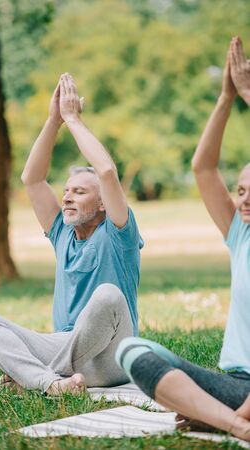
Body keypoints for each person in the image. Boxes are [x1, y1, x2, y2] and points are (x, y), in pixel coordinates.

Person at [0, 73, 143, 395]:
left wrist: (73, 119)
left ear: (103, 202)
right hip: (70, 350)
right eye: (65, 191)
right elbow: (32, 179)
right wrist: (53, 121)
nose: (66, 197)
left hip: (114, 355)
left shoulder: (119, 234)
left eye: (79, 192)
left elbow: (105, 171)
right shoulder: (61, 231)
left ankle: (34, 375)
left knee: (107, 295)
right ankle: (52, 385)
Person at [115, 36, 250, 442]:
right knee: (133, 351)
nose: (243, 200)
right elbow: (204, 168)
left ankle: (220, 417)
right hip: (236, 383)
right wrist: (227, 98)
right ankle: (233, 424)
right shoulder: (241, 234)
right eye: (241, 191)